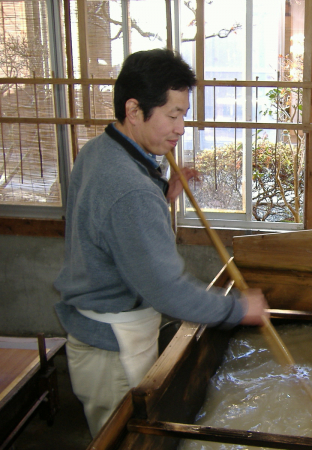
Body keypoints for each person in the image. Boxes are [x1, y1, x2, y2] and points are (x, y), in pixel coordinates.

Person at [53, 48, 269, 437]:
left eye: (182, 115)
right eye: (173, 115)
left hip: (99, 335)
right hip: (113, 350)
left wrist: (160, 192)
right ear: (134, 110)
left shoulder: (99, 151)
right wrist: (239, 308)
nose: (181, 128)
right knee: (126, 442)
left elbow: (106, 224)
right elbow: (169, 292)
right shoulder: (129, 189)